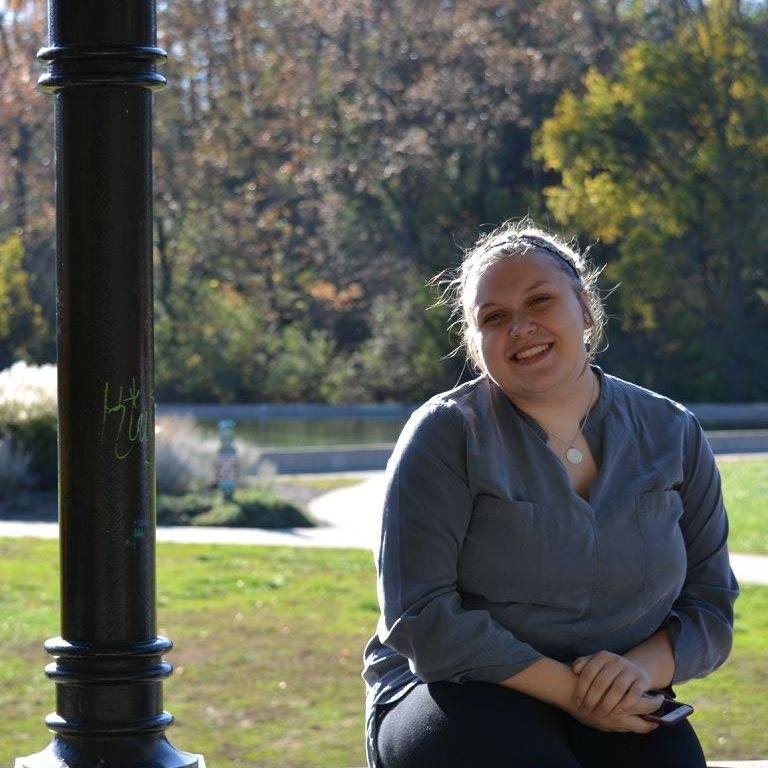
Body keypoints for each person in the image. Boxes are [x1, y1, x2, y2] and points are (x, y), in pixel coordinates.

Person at [360, 219, 740, 768]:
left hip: (619, 689)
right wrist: (574, 694)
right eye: (494, 317)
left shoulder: (672, 431)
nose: (520, 327)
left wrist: (636, 672)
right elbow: (420, 618)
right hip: (455, 689)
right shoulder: (445, 435)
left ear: (584, 308)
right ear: (476, 344)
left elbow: (709, 609)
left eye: (539, 301)